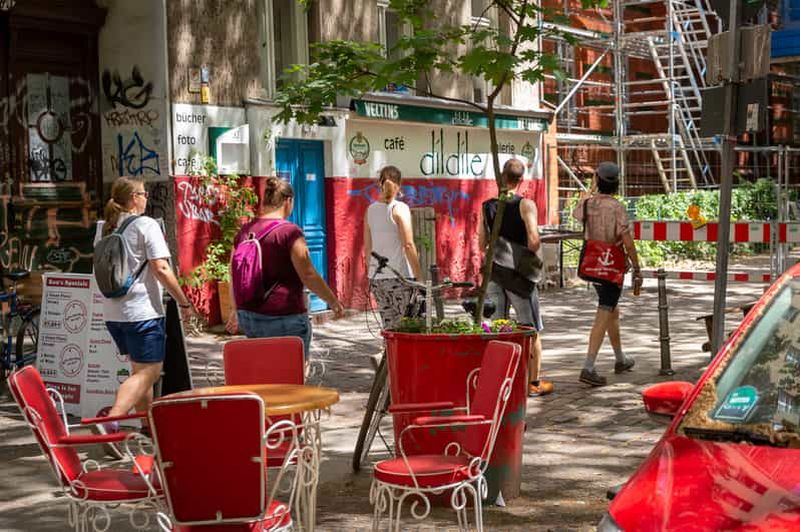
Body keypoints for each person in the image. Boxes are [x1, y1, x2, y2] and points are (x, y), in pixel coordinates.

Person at [96, 177, 195, 428]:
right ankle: (112, 419)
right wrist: (183, 302)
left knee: (140, 372)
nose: (146, 198)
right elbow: (161, 268)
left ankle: (147, 427)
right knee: (151, 371)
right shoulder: (146, 225)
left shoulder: (105, 228)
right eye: (144, 194)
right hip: (142, 313)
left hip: (113, 313)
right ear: (133, 199)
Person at [226, 177, 344, 355]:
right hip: (284, 316)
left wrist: (235, 309)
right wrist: (333, 301)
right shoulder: (289, 232)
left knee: (264, 367)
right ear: (288, 201)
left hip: (249, 316)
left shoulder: (244, 232)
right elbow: (308, 274)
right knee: (293, 369)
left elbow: (233, 273)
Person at [479, 158, 554, 397]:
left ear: (502, 177)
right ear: (521, 179)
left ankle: (501, 381)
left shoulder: (487, 206)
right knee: (530, 328)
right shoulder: (525, 205)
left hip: (493, 273)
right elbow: (533, 241)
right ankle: (533, 383)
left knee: (498, 328)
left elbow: (481, 243)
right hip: (518, 277)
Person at [572, 161, 642, 387]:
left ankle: (620, 359)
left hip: (593, 264)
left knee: (612, 310)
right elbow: (627, 240)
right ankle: (588, 366)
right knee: (604, 312)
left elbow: (576, 215)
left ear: (597, 180)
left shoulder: (587, 203)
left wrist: (590, 191)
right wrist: (636, 266)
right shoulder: (617, 207)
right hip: (611, 267)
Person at [363, 165, 424, 330]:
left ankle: (390, 348)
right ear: (399, 184)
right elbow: (408, 245)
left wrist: (371, 274)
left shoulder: (370, 211)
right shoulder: (400, 209)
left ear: (380, 183)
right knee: (410, 328)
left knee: (389, 328)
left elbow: (368, 248)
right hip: (400, 277)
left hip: (377, 278)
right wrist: (420, 278)